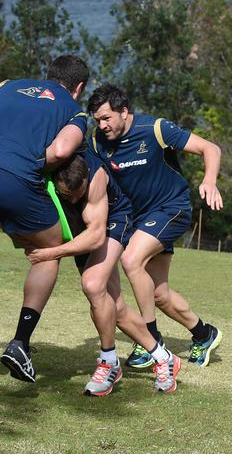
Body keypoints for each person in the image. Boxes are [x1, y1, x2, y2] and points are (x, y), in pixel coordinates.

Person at [87, 83, 223, 369]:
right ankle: (204, 334)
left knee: (130, 259)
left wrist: (209, 181)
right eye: (97, 119)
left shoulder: (156, 129)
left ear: (124, 112)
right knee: (158, 293)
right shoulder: (98, 142)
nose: (102, 125)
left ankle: (150, 339)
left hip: (172, 209)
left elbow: (209, 148)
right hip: (139, 221)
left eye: (107, 118)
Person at [26, 149, 181, 394]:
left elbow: (96, 236)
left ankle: (108, 362)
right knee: (114, 307)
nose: (75, 200)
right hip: (80, 232)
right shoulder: (50, 160)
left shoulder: (95, 176)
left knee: (92, 284)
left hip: (111, 224)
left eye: (80, 195)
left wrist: (51, 253)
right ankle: (164, 358)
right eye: (69, 196)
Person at [0, 55, 89, 383]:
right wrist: (33, 162)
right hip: (16, 179)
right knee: (49, 250)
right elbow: (63, 150)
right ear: (78, 87)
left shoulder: (8, 85)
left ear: (47, 74)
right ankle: (20, 343)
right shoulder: (73, 110)